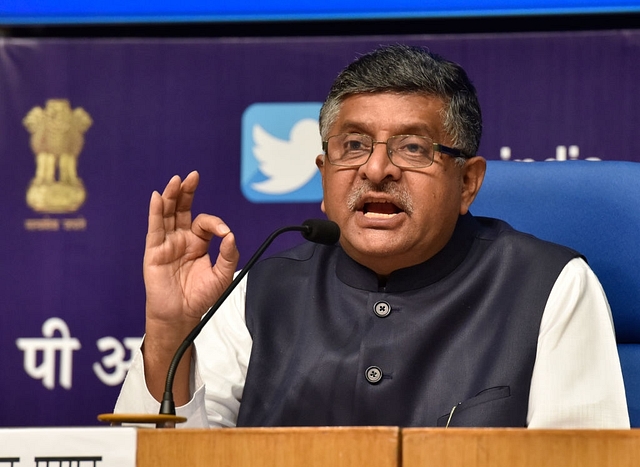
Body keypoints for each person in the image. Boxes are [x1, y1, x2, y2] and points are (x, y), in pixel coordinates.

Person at [115, 45, 630, 428]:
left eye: (412, 148)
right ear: (324, 175)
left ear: (468, 183)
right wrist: (168, 332)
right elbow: (155, 464)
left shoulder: (550, 287)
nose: (377, 169)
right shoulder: (260, 291)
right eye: (354, 145)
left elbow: (581, 464)